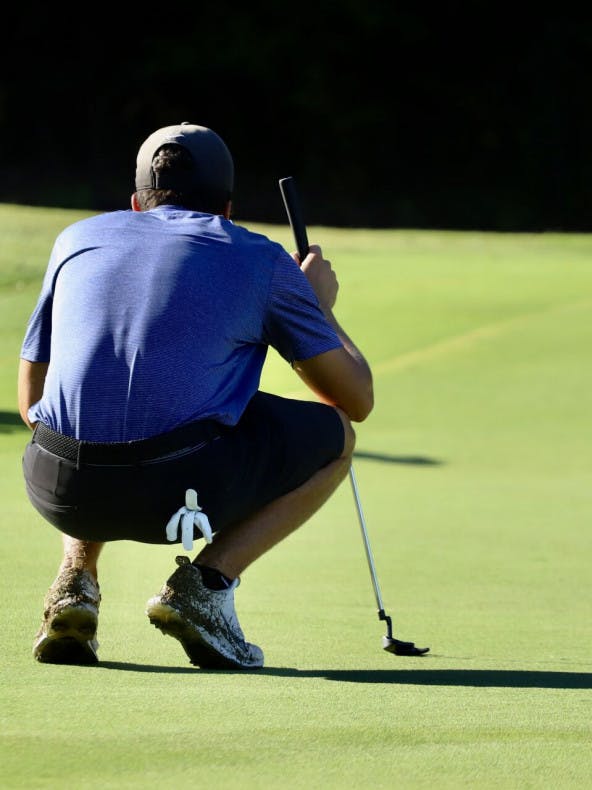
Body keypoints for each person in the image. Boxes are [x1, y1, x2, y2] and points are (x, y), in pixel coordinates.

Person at [18, 122, 373, 669]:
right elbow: (356, 399)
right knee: (337, 438)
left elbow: (31, 404)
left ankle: (75, 580)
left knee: (89, 410)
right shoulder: (261, 259)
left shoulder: (76, 240)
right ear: (227, 209)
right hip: (178, 490)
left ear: (136, 204)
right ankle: (206, 587)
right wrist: (319, 306)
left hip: (55, 485)